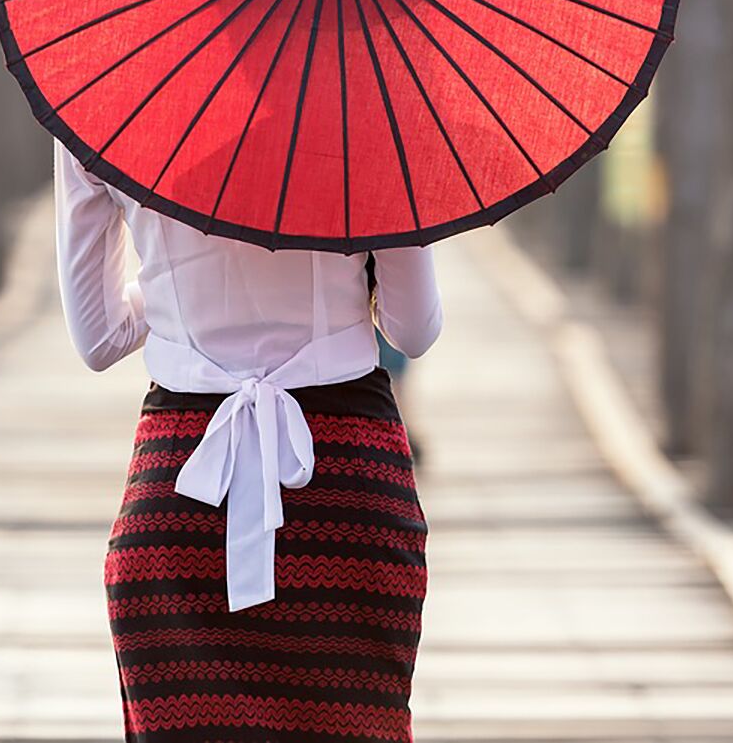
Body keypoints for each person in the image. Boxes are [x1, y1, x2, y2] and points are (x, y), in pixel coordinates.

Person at [54, 137, 443, 743]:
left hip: (180, 505)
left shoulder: (102, 111)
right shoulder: (368, 110)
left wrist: (173, 284)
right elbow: (412, 329)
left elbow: (99, 338)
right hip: (345, 497)